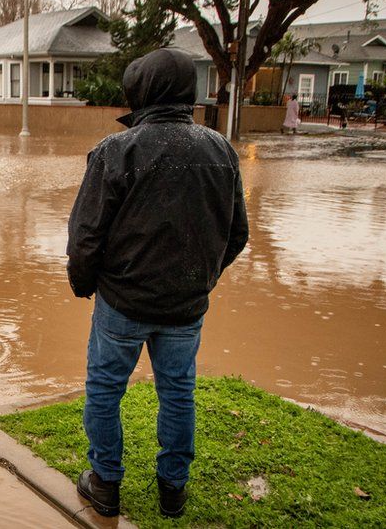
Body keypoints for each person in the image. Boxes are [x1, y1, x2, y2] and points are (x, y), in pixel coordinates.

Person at [67, 48, 249, 519]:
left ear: (142, 92)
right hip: (186, 307)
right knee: (178, 392)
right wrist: (201, 279)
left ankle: (104, 483)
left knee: (105, 391)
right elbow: (237, 235)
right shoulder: (221, 150)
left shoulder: (116, 150)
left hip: (122, 303)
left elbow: (85, 234)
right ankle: (173, 489)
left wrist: (85, 283)